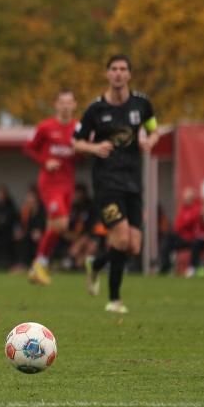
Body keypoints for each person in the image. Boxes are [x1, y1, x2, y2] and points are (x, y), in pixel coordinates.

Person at [74, 55, 159, 313]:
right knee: (121, 239)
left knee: (134, 245)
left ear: (129, 75)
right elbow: (76, 141)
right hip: (107, 182)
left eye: (123, 69)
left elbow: (154, 129)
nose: (118, 74)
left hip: (133, 182)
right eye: (114, 69)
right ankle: (114, 300)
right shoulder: (96, 109)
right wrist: (94, 146)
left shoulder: (142, 104)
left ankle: (97, 264)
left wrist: (150, 141)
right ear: (107, 74)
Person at [23, 88, 77, 285]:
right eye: (62, 102)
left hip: (68, 184)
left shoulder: (78, 128)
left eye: (69, 102)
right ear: (56, 105)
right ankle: (39, 264)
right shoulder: (45, 127)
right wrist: (45, 161)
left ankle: (38, 267)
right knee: (61, 223)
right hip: (50, 184)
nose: (65, 105)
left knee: (57, 226)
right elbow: (28, 147)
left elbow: (81, 152)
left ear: (74, 105)